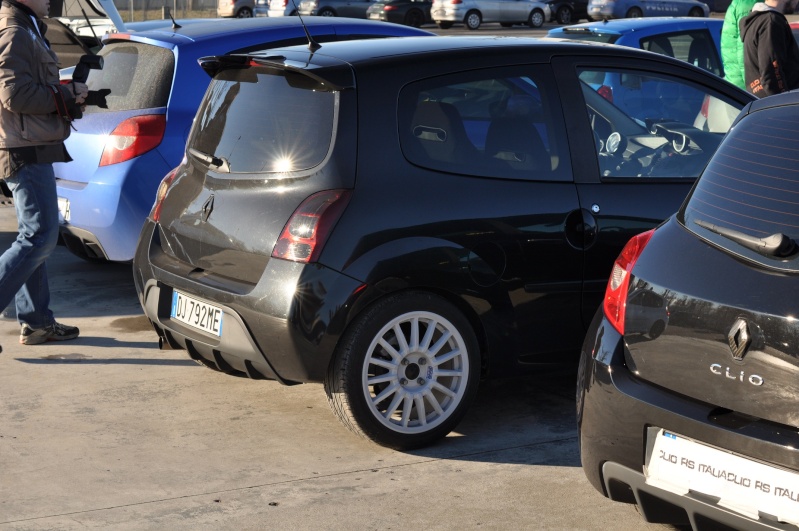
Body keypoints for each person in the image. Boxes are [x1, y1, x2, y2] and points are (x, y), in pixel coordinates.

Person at [0, 0, 88, 348]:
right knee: (40, 237)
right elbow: (13, 93)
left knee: (32, 237)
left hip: (31, 144)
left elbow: (31, 83)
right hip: (24, 150)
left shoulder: (27, 27)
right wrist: (63, 94)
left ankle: (37, 323)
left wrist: (71, 94)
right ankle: (36, 321)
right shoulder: (15, 31)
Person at [740, 0, 799, 97]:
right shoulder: (771, 22)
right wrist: (783, 103)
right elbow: (771, 74)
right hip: (775, 106)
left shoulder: (760, 21)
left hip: (762, 102)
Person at [721, 0, 758, 89]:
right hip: (744, 88)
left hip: (737, 84)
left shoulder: (742, 4)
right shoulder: (747, 5)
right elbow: (744, 52)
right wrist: (752, 89)